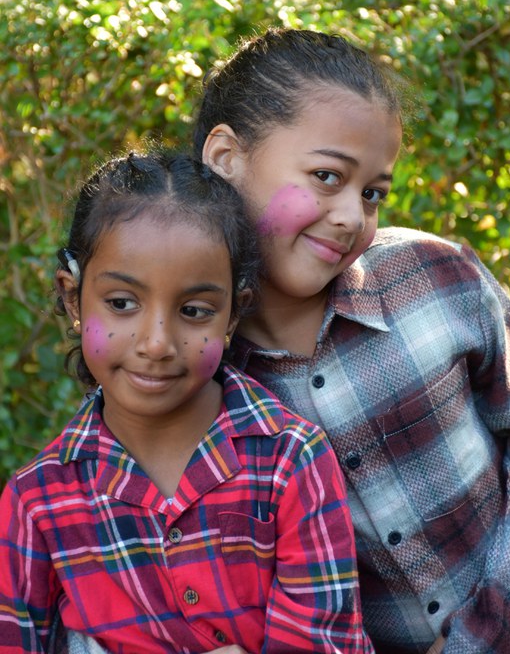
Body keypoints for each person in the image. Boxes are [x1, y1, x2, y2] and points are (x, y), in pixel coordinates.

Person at [193, 27, 510, 654]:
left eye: (372, 194)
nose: (350, 217)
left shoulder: (435, 278)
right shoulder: (198, 383)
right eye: (325, 176)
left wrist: (486, 629)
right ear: (227, 158)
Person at [0, 149, 373, 654]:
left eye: (194, 311)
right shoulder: (38, 503)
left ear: (233, 315)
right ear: (72, 298)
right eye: (121, 303)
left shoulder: (291, 461)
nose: (157, 343)